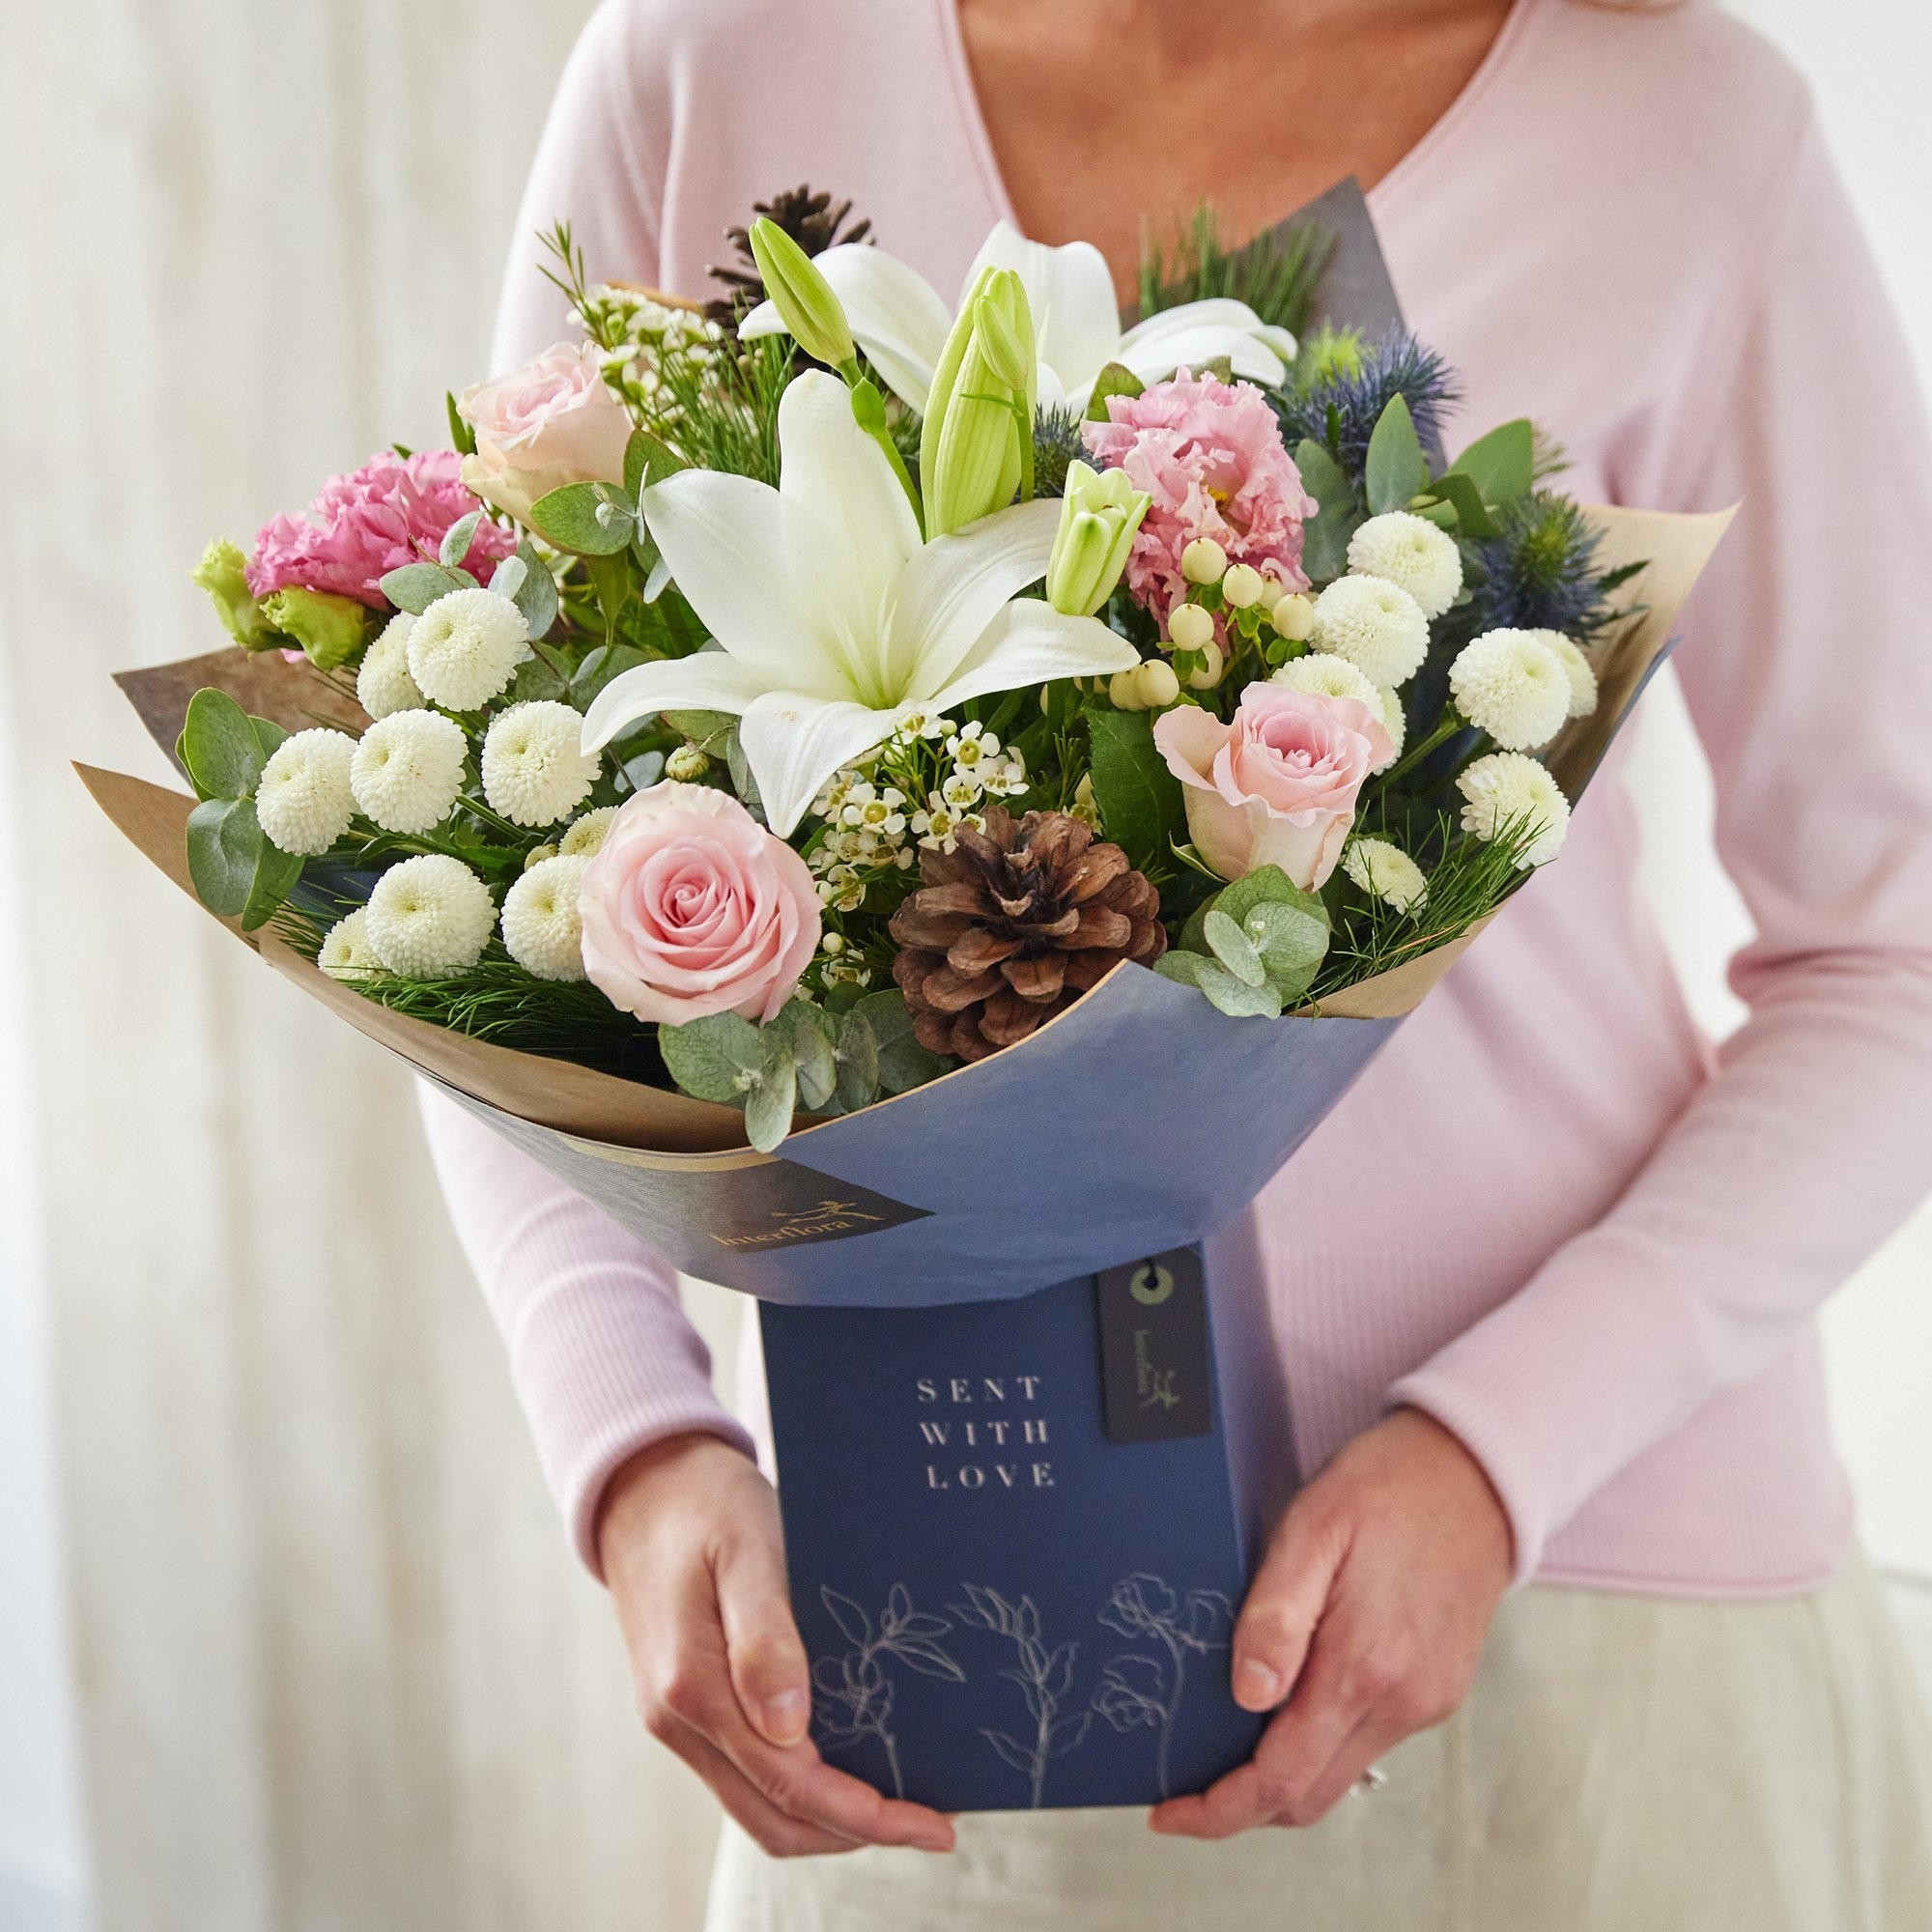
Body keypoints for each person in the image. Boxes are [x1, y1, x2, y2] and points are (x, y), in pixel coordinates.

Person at [423, 0, 1932, 1923]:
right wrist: (636, 1450)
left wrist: (1500, 1451)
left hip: (1598, 1609)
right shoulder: (715, 57)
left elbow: (1892, 956)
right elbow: (484, 892)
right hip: (934, 1594)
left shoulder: (1693, 131)